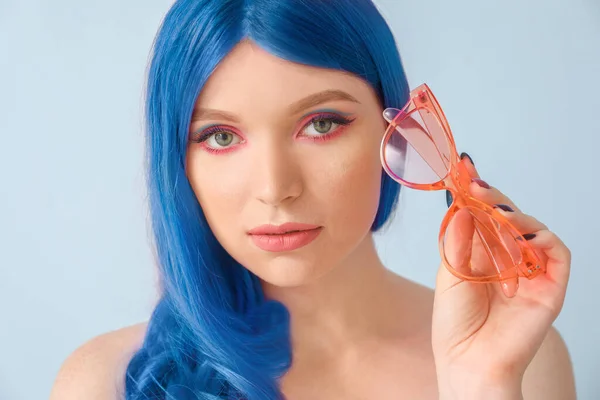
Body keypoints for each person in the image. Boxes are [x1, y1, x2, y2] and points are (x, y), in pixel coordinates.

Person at [49, 0, 576, 398]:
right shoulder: (108, 382)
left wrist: (482, 382)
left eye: (321, 124)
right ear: (177, 162)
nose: (276, 188)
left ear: (401, 129)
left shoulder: (524, 362)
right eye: (221, 137)